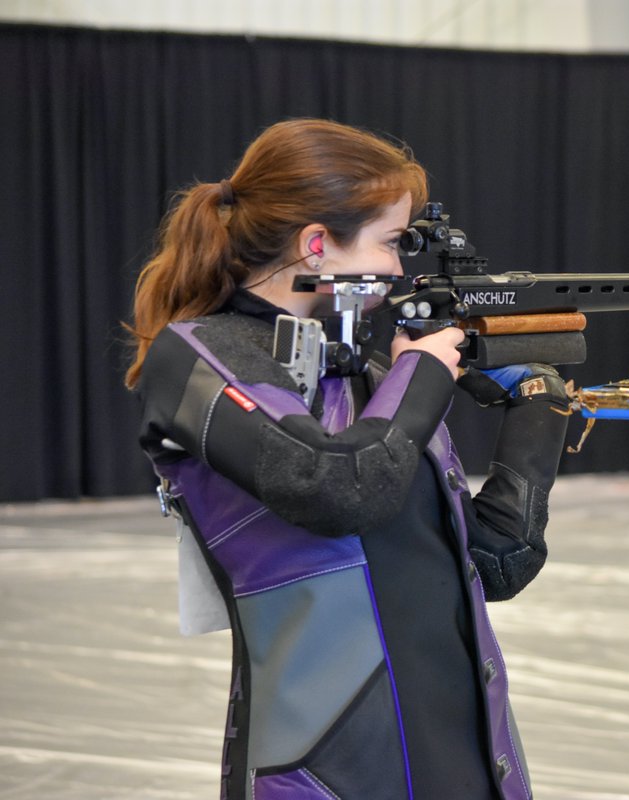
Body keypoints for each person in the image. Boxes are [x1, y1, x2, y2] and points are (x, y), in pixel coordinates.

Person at [126, 118, 569, 800]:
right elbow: (336, 487)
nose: (399, 269)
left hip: (470, 761)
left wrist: (539, 405)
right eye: (390, 242)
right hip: (330, 772)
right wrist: (420, 378)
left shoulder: (363, 371)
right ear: (315, 245)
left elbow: (493, 564)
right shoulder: (199, 356)